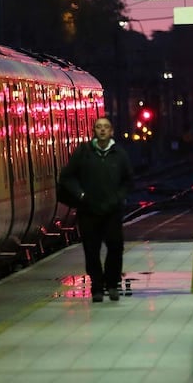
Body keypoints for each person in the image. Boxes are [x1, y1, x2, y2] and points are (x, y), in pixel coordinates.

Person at [58, 116, 134, 302]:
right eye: (99, 127)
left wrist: (118, 197)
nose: (102, 130)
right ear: (94, 131)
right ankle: (97, 287)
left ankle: (112, 283)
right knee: (91, 251)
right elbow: (67, 177)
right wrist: (81, 195)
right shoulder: (83, 153)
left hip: (112, 211)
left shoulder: (119, 155)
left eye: (105, 127)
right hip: (88, 210)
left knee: (115, 247)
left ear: (111, 131)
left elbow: (128, 180)